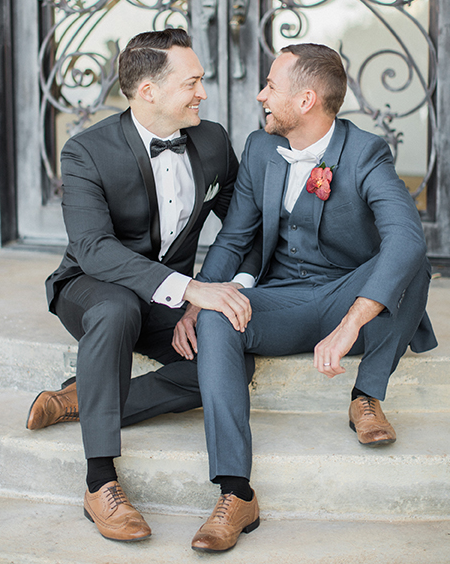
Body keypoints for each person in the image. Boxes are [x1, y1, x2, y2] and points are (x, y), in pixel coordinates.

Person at [174, 42, 437, 553]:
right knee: (216, 318)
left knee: (413, 262)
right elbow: (235, 237)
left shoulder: (365, 152)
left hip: (348, 294)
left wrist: (351, 322)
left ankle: (367, 396)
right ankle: (235, 492)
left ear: (307, 99)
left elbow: (406, 237)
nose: (260, 95)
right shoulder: (259, 147)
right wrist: (197, 299)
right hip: (284, 298)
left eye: (271, 86)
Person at [26, 28, 255, 543]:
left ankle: (84, 397)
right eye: (192, 82)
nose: (202, 92)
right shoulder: (86, 151)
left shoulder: (212, 140)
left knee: (229, 360)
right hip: (93, 285)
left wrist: (213, 289)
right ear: (148, 91)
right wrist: (188, 289)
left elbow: (245, 225)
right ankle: (99, 480)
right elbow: (92, 248)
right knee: (116, 310)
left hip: (166, 295)